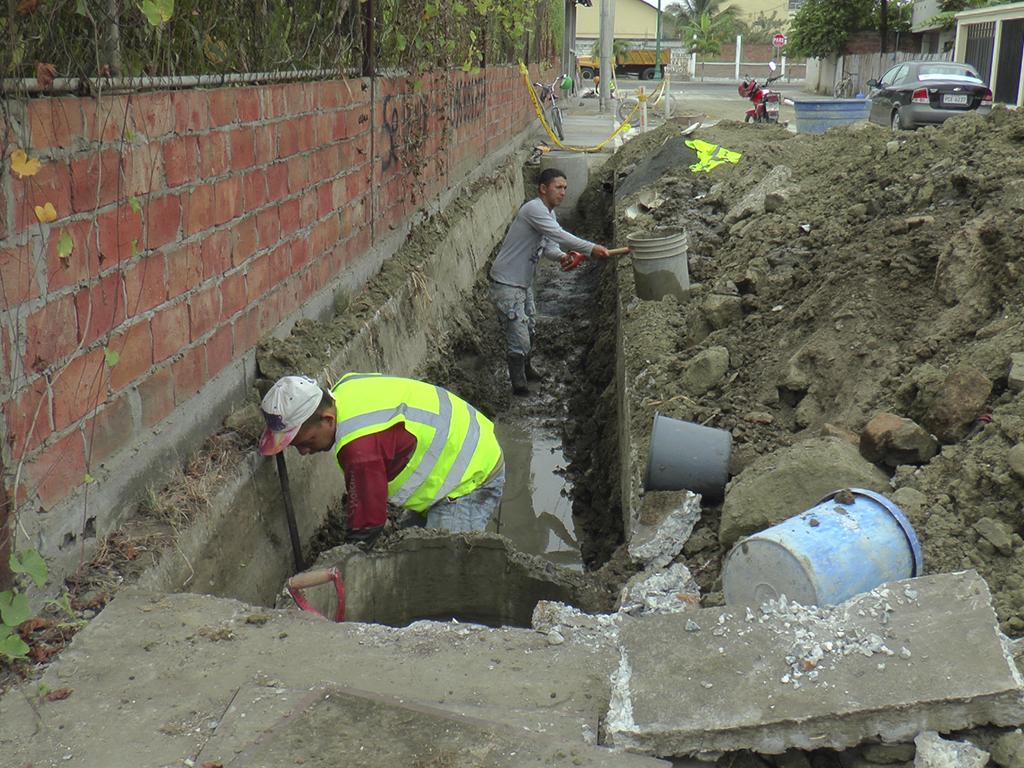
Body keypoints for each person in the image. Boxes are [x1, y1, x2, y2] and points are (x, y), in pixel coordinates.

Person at [258, 373, 505, 545]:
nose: (303, 452)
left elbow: (367, 527)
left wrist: (349, 561)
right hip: (466, 443)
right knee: (410, 551)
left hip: (471, 478)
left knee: (443, 569)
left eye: (306, 442)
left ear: (327, 420)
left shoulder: (359, 449)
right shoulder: (346, 387)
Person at [489, 167, 612, 396]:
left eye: (565, 188)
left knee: (530, 329)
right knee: (519, 337)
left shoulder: (548, 214)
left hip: (523, 283)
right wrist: (591, 248)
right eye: (558, 187)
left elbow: (550, 246)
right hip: (507, 283)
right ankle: (519, 386)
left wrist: (563, 256)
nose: (563, 192)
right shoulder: (533, 209)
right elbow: (560, 236)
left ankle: (526, 369)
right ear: (543, 189)